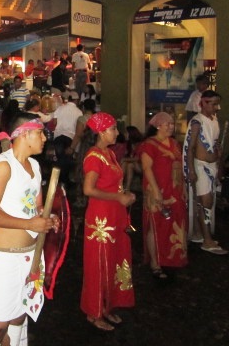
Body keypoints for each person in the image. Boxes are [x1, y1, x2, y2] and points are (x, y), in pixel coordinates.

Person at [0, 113, 59, 346]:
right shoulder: (3, 167)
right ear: (24, 134)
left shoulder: (34, 166)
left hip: (29, 254)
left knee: (18, 318)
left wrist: (46, 218)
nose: (44, 139)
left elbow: (35, 207)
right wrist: (30, 224)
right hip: (4, 258)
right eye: (40, 133)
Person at [80, 112, 136, 331]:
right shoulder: (94, 156)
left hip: (114, 215)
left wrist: (125, 195)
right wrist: (118, 197)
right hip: (100, 220)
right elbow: (88, 189)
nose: (117, 132)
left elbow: (112, 184)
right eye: (113, 129)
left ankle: (107, 305)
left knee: (114, 259)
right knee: (99, 264)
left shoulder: (109, 154)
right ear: (101, 132)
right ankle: (94, 312)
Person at [140, 112, 188, 279]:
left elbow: (179, 168)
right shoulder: (149, 145)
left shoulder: (174, 143)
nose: (170, 126)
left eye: (172, 124)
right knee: (155, 224)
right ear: (158, 125)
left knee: (173, 223)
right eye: (167, 124)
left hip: (174, 189)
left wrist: (184, 189)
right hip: (157, 189)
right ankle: (155, 262)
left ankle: (171, 258)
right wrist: (156, 191)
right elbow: (147, 169)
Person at [183, 90, 228, 254]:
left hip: (211, 165)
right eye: (214, 104)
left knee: (207, 203)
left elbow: (214, 142)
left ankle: (200, 234)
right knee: (205, 202)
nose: (218, 107)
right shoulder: (197, 122)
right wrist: (191, 170)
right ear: (204, 102)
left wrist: (218, 156)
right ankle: (207, 240)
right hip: (200, 166)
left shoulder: (214, 120)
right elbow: (191, 148)